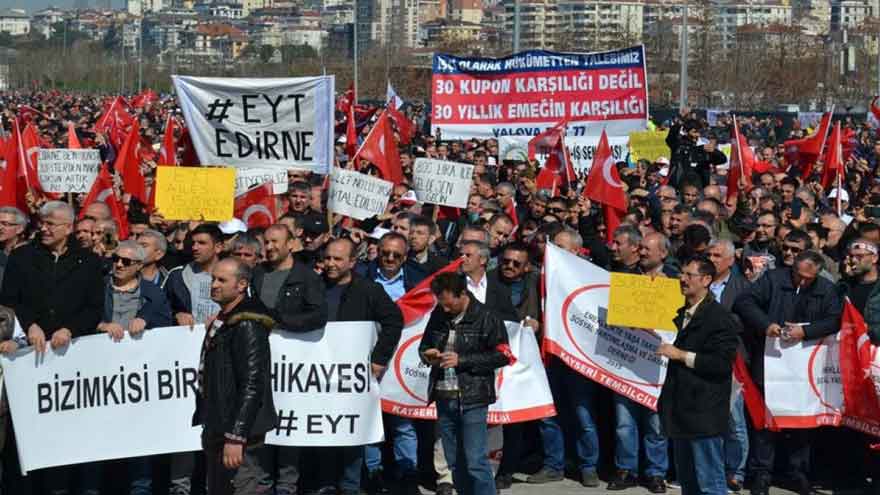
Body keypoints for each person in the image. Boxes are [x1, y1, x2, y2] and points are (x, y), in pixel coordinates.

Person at [0, 201, 105, 494]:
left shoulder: (89, 261)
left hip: (68, 359)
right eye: (42, 223)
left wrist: (70, 329)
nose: (44, 228)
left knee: (61, 432)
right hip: (27, 355)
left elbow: (94, 308)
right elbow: (10, 300)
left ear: (68, 228)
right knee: (22, 433)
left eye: (51, 224)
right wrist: (30, 323)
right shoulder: (22, 257)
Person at [734, 250, 844, 495]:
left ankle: (798, 473)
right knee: (766, 422)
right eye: (798, 276)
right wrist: (766, 324)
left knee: (801, 421)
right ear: (792, 267)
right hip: (771, 361)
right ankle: (762, 473)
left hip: (805, 367)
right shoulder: (773, 279)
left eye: (808, 279)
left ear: (817, 274)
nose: (802, 282)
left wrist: (806, 332)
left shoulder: (826, 289)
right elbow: (744, 302)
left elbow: (835, 320)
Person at [317, 238, 403, 495]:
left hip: (352, 377)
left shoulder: (369, 290)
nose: (331, 264)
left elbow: (393, 321)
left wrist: (379, 358)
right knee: (321, 428)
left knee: (350, 433)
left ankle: (350, 485)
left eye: (337, 259)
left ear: (352, 262)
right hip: (317, 374)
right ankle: (324, 483)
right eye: (328, 258)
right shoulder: (314, 286)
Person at [419, 272, 512, 495]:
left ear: (463, 294)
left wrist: (463, 360)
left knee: (476, 460)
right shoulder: (439, 314)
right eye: (442, 304)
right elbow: (424, 346)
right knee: (454, 461)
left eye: (450, 304)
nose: (446, 309)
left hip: (472, 396)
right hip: (444, 395)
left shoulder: (487, 316)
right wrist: (427, 354)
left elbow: (503, 355)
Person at [193, 258, 278, 495]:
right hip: (218, 423)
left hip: (238, 430)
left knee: (242, 487)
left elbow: (252, 383)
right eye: (213, 279)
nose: (214, 285)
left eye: (222, 280)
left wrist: (237, 436)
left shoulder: (248, 323)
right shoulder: (224, 320)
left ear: (241, 285)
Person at [657, 256, 738, 495]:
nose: (682, 279)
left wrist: (681, 355)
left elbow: (721, 364)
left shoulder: (719, 318)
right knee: (689, 483)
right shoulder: (682, 312)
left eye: (689, 275)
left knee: (709, 483)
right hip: (681, 410)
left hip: (704, 413)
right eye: (681, 274)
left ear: (706, 280)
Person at [97, 240, 173, 495]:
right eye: (116, 259)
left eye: (126, 262)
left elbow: (167, 330)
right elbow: (81, 316)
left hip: (138, 381)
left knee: (138, 440)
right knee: (95, 440)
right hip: (99, 378)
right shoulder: (97, 288)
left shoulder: (154, 293)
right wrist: (100, 325)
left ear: (139, 266)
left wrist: (147, 319)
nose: (118, 264)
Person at [706, 239, 751, 491]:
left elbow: (745, 322)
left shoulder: (743, 287)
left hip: (733, 361)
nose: (711, 259)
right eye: (710, 254)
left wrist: (713, 320)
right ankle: (712, 468)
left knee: (734, 421)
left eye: (718, 255)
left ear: (731, 260)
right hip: (701, 360)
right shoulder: (698, 282)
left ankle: (736, 471)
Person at [164, 224, 224, 326]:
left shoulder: (235, 276)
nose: (195, 247)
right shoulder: (177, 276)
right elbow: (159, 308)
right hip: (188, 338)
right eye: (193, 243)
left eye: (202, 243)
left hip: (223, 338)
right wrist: (176, 315)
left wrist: (224, 317)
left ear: (218, 247)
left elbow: (247, 309)